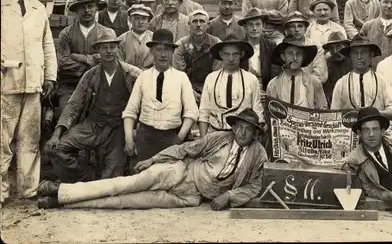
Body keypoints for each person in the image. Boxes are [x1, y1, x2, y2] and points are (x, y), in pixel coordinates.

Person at [37, 109, 268, 210]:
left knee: (125, 202)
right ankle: (59, 189)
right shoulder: (220, 138)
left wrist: (229, 195)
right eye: (239, 127)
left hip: (191, 197)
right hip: (179, 172)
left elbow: (255, 185)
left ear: (255, 132)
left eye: (249, 129)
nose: (242, 133)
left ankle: (60, 201)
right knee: (123, 184)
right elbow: (185, 149)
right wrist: (153, 160)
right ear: (234, 126)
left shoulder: (258, 154)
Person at [44, 30, 142, 183]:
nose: (109, 51)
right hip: (92, 126)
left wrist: (136, 129)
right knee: (58, 148)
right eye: (104, 48)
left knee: (111, 178)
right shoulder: (90, 76)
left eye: (112, 47)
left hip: (119, 128)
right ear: (98, 50)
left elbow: (148, 96)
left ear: (118, 48)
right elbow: (73, 105)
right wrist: (56, 134)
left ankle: (100, 179)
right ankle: (86, 177)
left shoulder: (132, 74)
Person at [1, 0, 57, 205]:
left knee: (30, 139)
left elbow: (47, 46)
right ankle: (1, 192)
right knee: (2, 141)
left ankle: (27, 189)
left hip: (33, 84)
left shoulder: (38, 9)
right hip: (5, 84)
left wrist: (50, 77)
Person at [122, 29, 199, 171]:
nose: (163, 54)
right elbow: (130, 111)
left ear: (172, 52)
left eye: (167, 50)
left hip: (171, 138)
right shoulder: (143, 77)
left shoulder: (181, 78)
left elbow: (192, 112)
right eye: (159, 49)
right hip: (145, 138)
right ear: (152, 51)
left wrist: (179, 138)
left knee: (168, 179)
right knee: (139, 177)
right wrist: (129, 140)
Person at [57, 0, 116, 112]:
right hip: (70, 85)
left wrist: (79, 57)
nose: (87, 10)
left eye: (90, 6)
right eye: (82, 7)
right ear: (76, 11)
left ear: (96, 9)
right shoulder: (66, 33)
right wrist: (89, 64)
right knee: (66, 116)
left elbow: (112, 61)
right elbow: (62, 62)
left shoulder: (107, 33)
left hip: (100, 85)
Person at [199, 35, 265, 137]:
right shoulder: (211, 78)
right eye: (226, 54)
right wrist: (203, 141)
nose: (231, 59)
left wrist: (254, 139)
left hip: (242, 137)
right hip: (215, 133)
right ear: (221, 55)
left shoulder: (251, 79)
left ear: (241, 55)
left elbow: (258, 111)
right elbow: (204, 112)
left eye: (235, 54)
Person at [330, 34, 392, 124]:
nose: (359, 57)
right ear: (350, 56)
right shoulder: (341, 83)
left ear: (371, 55)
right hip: (349, 133)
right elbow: (333, 115)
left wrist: (376, 113)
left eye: (364, 52)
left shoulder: (382, 81)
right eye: (355, 53)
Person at [172, 10, 223, 103]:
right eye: (194, 21)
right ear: (189, 25)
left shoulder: (216, 44)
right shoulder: (181, 45)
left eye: (202, 21)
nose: (198, 25)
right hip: (186, 88)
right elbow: (179, 75)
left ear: (208, 25)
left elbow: (218, 75)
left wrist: (207, 93)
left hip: (212, 89)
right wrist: (190, 92)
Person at [267, 37, 328, 110]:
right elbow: (271, 111)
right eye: (290, 54)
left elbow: (323, 109)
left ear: (303, 58)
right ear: (283, 57)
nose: (295, 58)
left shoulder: (313, 82)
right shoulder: (274, 84)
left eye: (298, 54)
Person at [238, 8, 280, 92]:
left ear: (263, 26)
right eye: (250, 25)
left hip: (265, 87)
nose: (254, 28)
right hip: (243, 87)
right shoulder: (239, 46)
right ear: (245, 27)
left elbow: (275, 73)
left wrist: (268, 90)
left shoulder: (271, 46)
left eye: (258, 24)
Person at [284, 11, 328, 84]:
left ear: (305, 28)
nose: (296, 29)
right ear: (287, 30)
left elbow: (321, 74)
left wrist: (303, 86)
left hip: (310, 87)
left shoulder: (315, 46)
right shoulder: (282, 46)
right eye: (292, 26)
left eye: (300, 26)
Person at [117, 4, 155, 69]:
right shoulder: (121, 40)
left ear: (149, 21)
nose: (140, 22)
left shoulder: (155, 38)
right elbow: (119, 63)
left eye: (144, 18)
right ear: (130, 20)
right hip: (127, 76)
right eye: (137, 18)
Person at [322, 32, 352, 106]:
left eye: (338, 47)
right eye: (332, 48)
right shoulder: (327, 64)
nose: (335, 51)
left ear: (345, 47)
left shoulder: (354, 61)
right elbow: (327, 89)